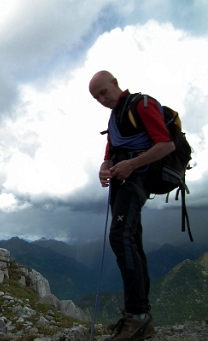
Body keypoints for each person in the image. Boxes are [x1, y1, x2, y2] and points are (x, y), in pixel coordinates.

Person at [89, 70, 175, 341]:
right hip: (122, 180)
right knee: (131, 240)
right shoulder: (115, 117)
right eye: (96, 97)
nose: (102, 99)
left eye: (104, 91)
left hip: (138, 178)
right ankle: (140, 316)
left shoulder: (141, 104)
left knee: (121, 236)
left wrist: (131, 164)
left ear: (115, 83)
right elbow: (109, 155)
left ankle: (137, 316)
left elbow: (166, 144)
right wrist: (105, 169)